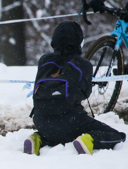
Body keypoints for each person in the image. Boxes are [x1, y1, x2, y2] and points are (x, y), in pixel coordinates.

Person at [25, 20, 126, 155]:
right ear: (79, 41)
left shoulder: (44, 60)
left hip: (41, 121)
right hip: (70, 120)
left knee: (54, 132)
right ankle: (87, 140)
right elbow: (85, 94)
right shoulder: (83, 64)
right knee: (117, 136)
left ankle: (37, 138)